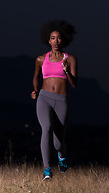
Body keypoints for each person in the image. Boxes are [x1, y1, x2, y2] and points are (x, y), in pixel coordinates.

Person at [31, 20, 77, 180]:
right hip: (44, 98)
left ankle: (62, 157)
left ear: (63, 40)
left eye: (58, 38)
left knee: (58, 142)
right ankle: (46, 170)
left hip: (62, 100)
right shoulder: (40, 59)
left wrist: (67, 71)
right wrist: (36, 91)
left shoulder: (70, 59)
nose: (56, 41)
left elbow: (74, 84)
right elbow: (36, 77)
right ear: (48, 40)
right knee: (46, 128)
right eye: (52, 38)